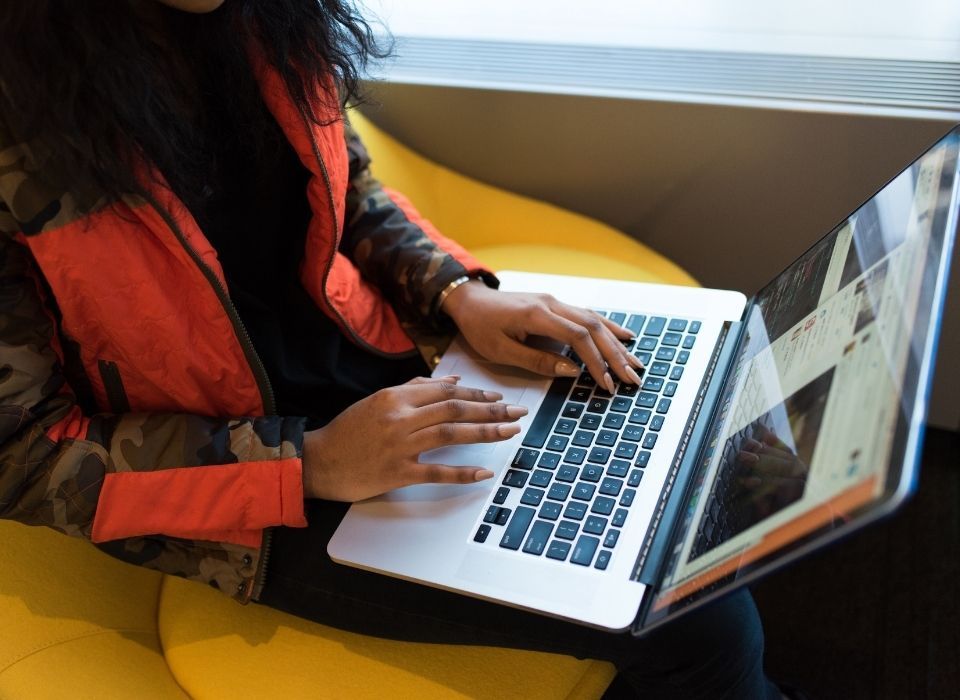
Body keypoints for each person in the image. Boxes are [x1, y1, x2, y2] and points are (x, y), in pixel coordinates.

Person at [0, 1, 781, 696]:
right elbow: (21, 453)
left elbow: (348, 191)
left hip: (377, 361)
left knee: (690, 450)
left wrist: (459, 294)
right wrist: (310, 462)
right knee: (696, 620)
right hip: (240, 487)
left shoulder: (274, 19)